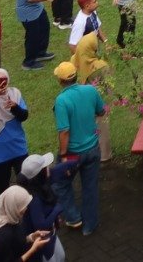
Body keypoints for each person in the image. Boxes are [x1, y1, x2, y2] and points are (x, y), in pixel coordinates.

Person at [52, 60, 105, 235]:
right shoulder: (90, 90)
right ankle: (90, 225)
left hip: (73, 153)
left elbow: (64, 131)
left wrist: (63, 154)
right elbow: (101, 110)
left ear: (60, 81)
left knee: (59, 184)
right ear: (75, 76)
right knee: (90, 187)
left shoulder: (61, 100)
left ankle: (73, 217)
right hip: (93, 149)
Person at [0, 186, 52, 262]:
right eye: (23, 206)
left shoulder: (11, 217)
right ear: (14, 207)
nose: (26, 208)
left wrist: (31, 237)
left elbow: (16, 242)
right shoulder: (2, 236)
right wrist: (33, 249)